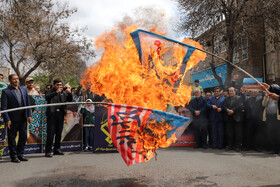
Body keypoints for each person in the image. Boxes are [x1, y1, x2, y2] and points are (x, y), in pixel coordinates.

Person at [1, 74, 31, 163]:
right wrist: (7, 119)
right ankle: (13, 156)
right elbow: (4, 108)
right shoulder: (6, 92)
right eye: (14, 79)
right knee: (12, 139)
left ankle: (20, 154)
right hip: (12, 120)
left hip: (23, 119)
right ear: (10, 81)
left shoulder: (23, 89)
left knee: (23, 137)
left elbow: (28, 103)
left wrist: (29, 115)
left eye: (17, 79)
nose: (16, 80)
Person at [45, 79, 73, 157]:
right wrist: (56, 92)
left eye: (60, 85)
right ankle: (48, 151)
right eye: (57, 85)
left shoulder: (63, 93)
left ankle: (57, 149)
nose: (59, 86)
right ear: (54, 85)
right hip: (52, 115)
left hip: (60, 115)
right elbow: (47, 98)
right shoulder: (49, 91)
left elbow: (70, 100)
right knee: (50, 134)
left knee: (59, 133)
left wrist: (69, 92)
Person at [222, 87, 243, 151]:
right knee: (229, 133)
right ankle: (230, 145)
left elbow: (240, 105)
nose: (230, 92)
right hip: (228, 118)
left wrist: (233, 111)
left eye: (232, 91)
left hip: (237, 118)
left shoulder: (239, 98)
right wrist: (228, 110)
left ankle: (238, 146)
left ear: (235, 91)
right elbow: (224, 106)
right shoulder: (226, 99)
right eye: (230, 91)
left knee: (238, 133)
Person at [262, 87, 280, 155]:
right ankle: (274, 149)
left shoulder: (277, 97)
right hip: (269, 117)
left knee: (278, 134)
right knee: (271, 134)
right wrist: (266, 96)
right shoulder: (268, 96)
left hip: (277, 117)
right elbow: (263, 104)